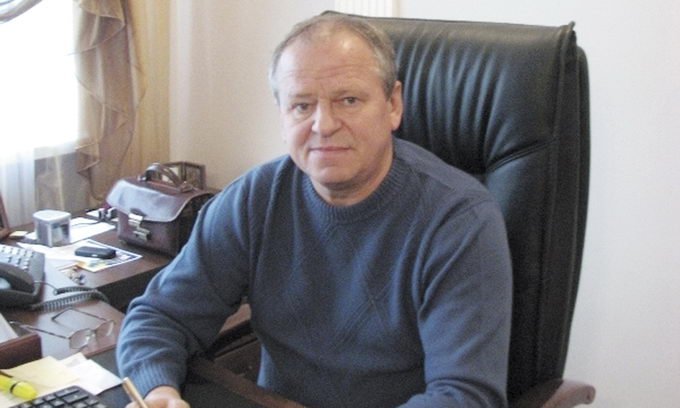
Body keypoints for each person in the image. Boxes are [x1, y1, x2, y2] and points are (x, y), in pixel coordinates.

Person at [117, 13, 513, 408]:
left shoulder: (459, 220)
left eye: (349, 100)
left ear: (393, 105)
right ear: (282, 115)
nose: (324, 125)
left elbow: (464, 397)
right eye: (302, 106)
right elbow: (161, 317)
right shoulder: (254, 199)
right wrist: (158, 392)